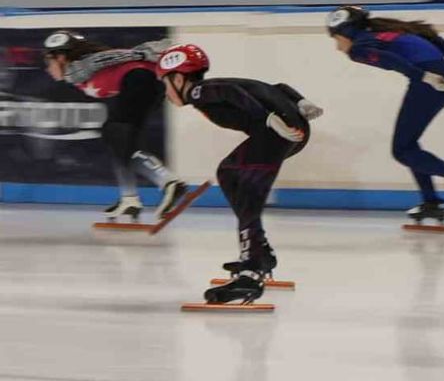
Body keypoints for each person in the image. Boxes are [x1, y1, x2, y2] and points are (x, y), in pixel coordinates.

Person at [156, 44, 322, 304]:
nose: (166, 93)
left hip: (276, 132)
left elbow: (232, 93)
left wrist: (267, 119)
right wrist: (301, 101)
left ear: (178, 79)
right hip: (289, 131)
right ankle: (259, 253)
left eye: (165, 83)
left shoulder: (199, 91)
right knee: (230, 173)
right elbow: (276, 87)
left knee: (246, 191)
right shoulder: (210, 88)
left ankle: (250, 273)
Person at [326, 6, 444, 223]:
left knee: (401, 150)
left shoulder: (358, 48)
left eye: (336, 39)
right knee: (409, 146)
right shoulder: (386, 31)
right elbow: (431, 36)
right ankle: (432, 201)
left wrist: (423, 77)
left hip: (429, 81)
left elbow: (389, 60)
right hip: (443, 77)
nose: (337, 47)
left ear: (347, 33)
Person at [43, 30, 187, 222]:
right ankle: (129, 199)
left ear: (61, 57)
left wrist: (139, 54)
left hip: (140, 80)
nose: (48, 69)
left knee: (115, 134)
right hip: (148, 83)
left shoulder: (75, 69)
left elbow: (106, 58)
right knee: (121, 143)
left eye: (48, 62)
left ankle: (168, 182)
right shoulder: (81, 70)